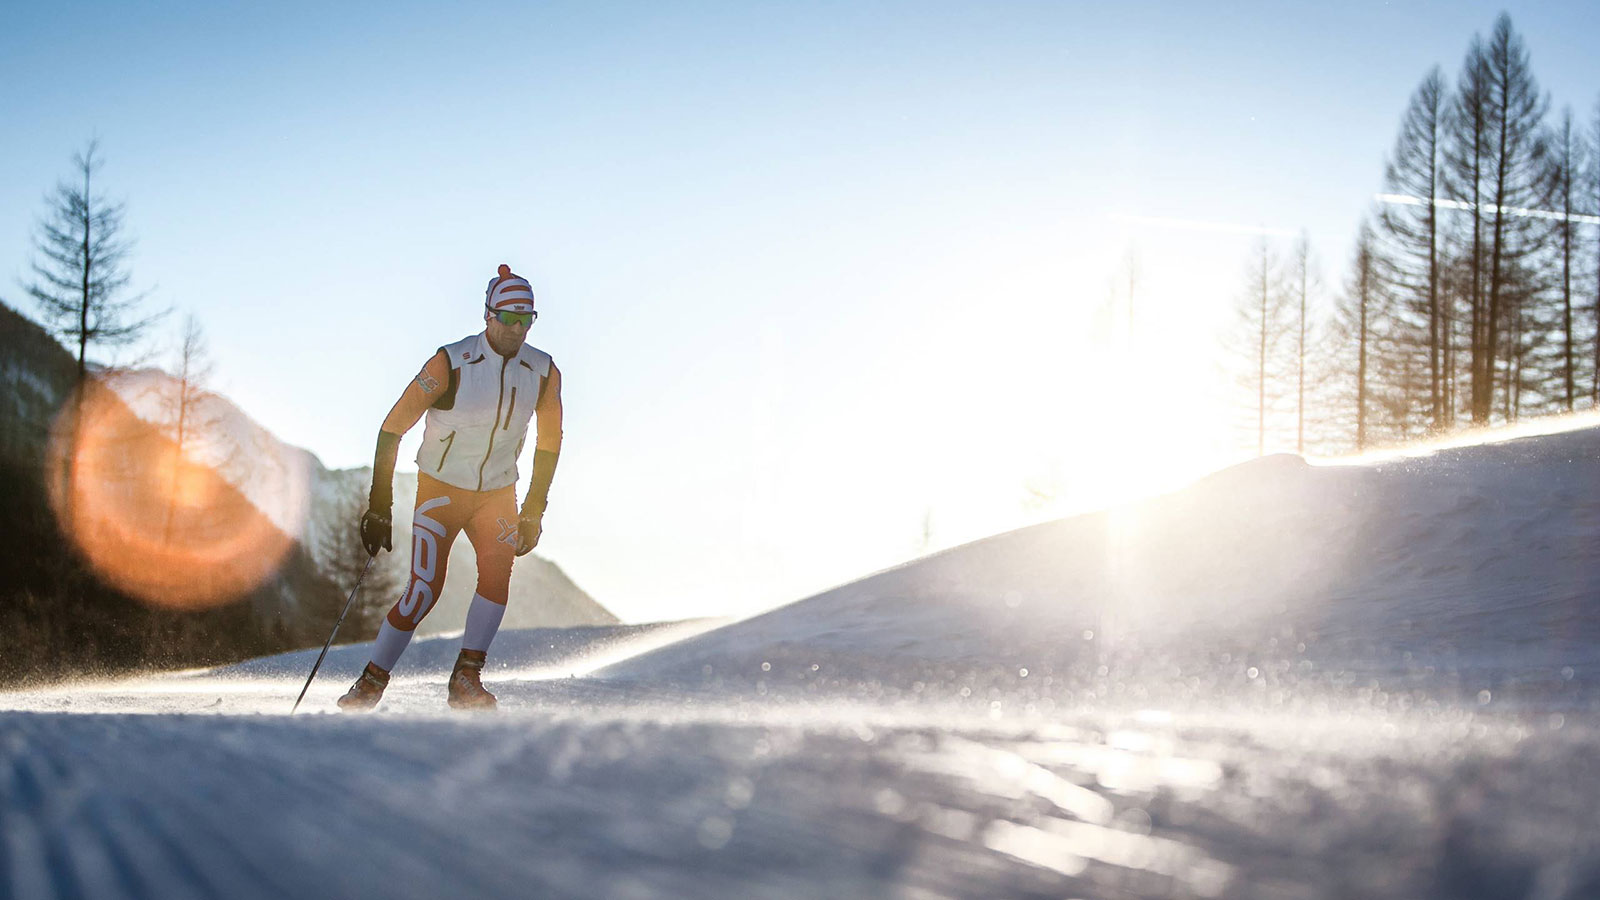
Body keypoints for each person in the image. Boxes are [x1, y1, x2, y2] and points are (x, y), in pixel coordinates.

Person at [338, 264, 563, 711]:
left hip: (497, 493)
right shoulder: (450, 362)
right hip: (441, 489)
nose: (517, 329)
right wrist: (379, 503)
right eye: (509, 318)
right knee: (423, 589)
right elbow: (392, 428)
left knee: (497, 579)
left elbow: (550, 444)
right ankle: (370, 683)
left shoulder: (543, 371)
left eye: (527, 320)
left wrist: (534, 508)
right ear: (488, 316)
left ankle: (466, 678)